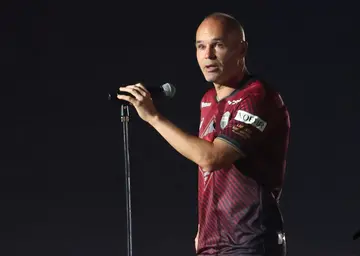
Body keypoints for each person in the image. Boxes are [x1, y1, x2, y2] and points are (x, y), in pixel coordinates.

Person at [117, 12, 290, 256]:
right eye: (201, 46)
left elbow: (212, 158)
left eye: (218, 45)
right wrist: (204, 228)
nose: (207, 55)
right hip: (212, 246)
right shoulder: (208, 100)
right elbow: (210, 172)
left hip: (249, 244)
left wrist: (154, 118)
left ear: (241, 49)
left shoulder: (257, 97)